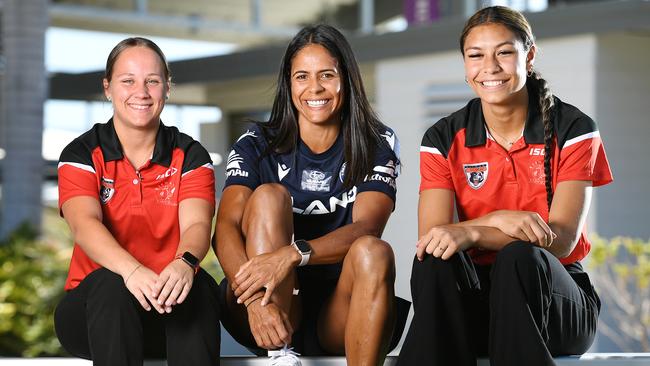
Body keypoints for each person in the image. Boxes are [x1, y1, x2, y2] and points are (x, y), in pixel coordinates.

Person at [397, 6, 613, 366]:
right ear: (465, 65)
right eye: (476, 55)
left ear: (529, 56)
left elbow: (559, 241)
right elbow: (433, 238)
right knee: (434, 261)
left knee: (519, 257)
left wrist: (476, 234)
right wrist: (498, 219)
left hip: (553, 305)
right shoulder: (443, 136)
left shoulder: (573, 128)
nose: (490, 66)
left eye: (505, 52)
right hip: (477, 304)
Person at [214, 24, 404, 366]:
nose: (314, 88)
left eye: (327, 75)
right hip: (263, 306)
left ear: (346, 78)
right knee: (270, 195)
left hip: (338, 308)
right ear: (289, 82)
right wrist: (257, 305)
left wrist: (292, 254)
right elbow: (225, 227)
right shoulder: (256, 143)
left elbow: (367, 228)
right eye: (302, 76)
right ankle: (278, 355)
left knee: (375, 251)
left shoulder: (377, 143)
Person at [53, 37, 220, 366]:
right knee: (112, 285)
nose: (141, 92)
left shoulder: (190, 155)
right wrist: (132, 272)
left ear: (167, 88)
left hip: (166, 311)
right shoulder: (82, 154)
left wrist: (186, 263)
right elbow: (85, 225)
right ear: (108, 88)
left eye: (152, 81)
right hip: (94, 314)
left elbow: (198, 224)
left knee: (200, 286)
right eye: (127, 81)